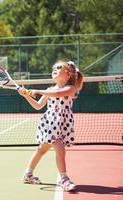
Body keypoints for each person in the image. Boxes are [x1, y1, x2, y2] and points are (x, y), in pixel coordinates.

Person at [18, 60, 83, 191]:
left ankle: (28, 174)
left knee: (41, 150)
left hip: (63, 123)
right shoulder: (49, 89)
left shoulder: (71, 88)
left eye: (58, 67)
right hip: (50, 123)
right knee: (60, 148)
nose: (54, 69)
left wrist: (38, 91)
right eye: (53, 67)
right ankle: (64, 179)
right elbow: (38, 106)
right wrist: (26, 95)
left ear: (68, 74)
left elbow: (58, 94)